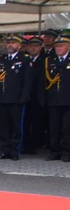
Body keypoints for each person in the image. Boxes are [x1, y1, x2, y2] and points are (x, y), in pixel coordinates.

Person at [0, 35, 33, 160]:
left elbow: (27, 81)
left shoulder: (24, 59)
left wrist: (24, 97)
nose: (10, 45)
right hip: (2, 98)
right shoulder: (0, 59)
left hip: (16, 99)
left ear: (20, 46)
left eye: (13, 43)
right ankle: (5, 150)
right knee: (4, 127)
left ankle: (15, 151)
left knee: (16, 126)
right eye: (8, 42)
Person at [45, 34, 70, 162]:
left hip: (68, 100)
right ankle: (54, 151)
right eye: (57, 46)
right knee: (54, 127)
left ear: (68, 46)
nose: (58, 48)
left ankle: (67, 152)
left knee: (67, 128)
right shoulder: (50, 60)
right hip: (54, 99)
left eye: (61, 46)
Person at [23, 35, 47, 154]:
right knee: (25, 122)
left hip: (37, 95)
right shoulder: (24, 59)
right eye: (31, 46)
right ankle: (25, 144)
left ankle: (35, 144)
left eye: (36, 46)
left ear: (40, 47)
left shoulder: (44, 60)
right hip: (24, 96)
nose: (33, 48)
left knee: (37, 121)